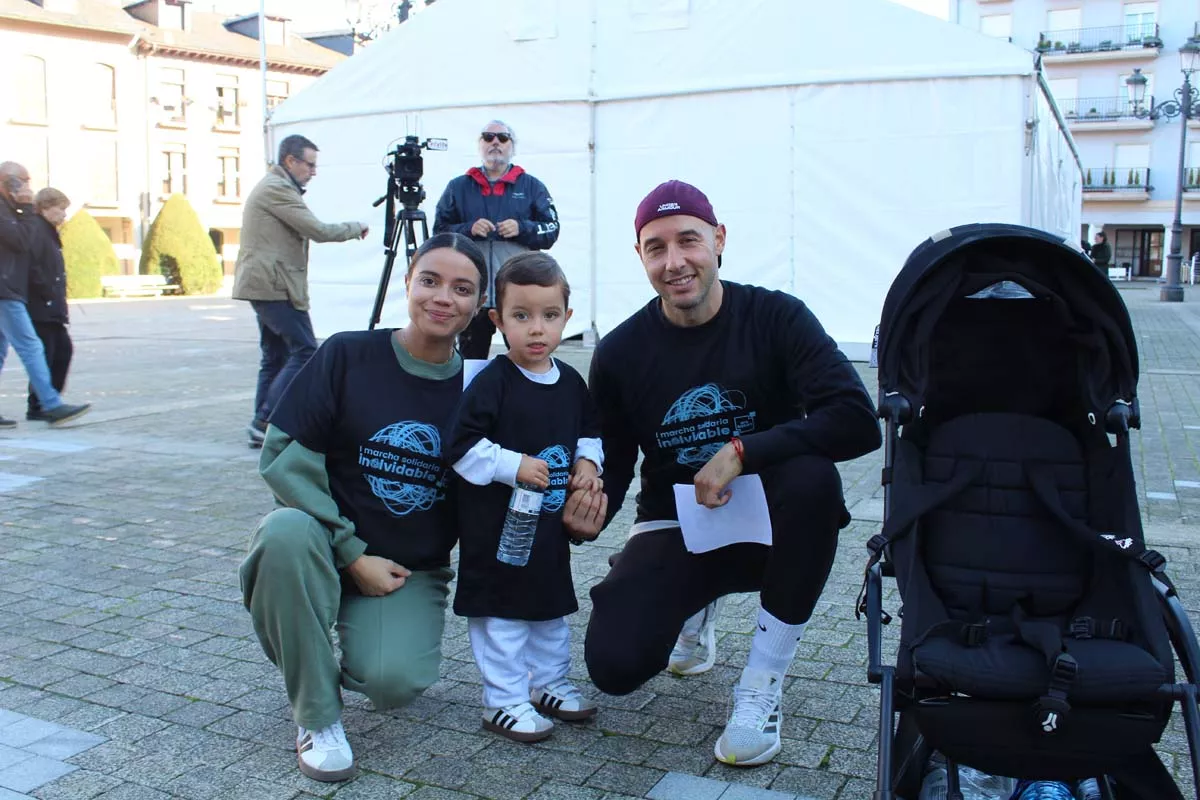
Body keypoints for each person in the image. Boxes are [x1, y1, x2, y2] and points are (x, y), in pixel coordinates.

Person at [575, 180, 881, 767]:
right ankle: (694, 608)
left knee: (814, 479)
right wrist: (585, 514)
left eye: (688, 241)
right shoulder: (619, 352)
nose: (675, 262)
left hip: (777, 523)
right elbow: (615, 461)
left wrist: (743, 451)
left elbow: (857, 420)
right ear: (639, 256)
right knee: (614, 669)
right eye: (656, 247)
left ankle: (761, 684)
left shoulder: (776, 317)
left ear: (718, 240)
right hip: (676, 523)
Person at [238, 232, 486, 782]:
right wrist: (351, 554)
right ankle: (316, 715)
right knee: (282, 534)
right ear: (408, 284)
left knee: (392, 683)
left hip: (407, 569)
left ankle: (324, 653)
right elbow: (282, 455)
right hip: (324, 547)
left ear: (477, 306)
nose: (443, 297)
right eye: (430, 280)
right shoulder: (348, 354)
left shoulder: (479, 387)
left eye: (462, 288)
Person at [447, 252, 603, 743]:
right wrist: (513, 465)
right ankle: (504, 700)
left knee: (550, 613)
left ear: (567, 318)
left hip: (548, 534)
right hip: (497, 536)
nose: (537, 330)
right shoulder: (492, 382)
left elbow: (590, 432)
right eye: (521, 316)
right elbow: (461, 446)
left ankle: (549, 683)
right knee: (503, 621)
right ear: (497, 321)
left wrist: (587, 464)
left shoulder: (571, 382)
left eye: (549, 316)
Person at [232, 134, 370, 449]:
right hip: (274, 285)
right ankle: (265, 420)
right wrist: (355, 227)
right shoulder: (277, 189)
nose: (313, 171)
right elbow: (317, 230)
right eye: (309, 164)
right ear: (291, 161)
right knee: (306, 350)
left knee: (276, 355)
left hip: (266, 283)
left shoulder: (274, 187)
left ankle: (260, 423)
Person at [433, 120, 560, 359]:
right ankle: (472, 396)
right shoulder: (458, 187)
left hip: (517, 291)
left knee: (524, 357)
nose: (495, 143)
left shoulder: (532, 186)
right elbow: (439, 232)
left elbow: (552, 230)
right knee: (471, 360)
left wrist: (522, 228)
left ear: (513, 146)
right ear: (479, 144)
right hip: (472, 291)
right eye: (488, 137)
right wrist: (468, 228)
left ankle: (523, 395)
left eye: (502, 138)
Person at [0, 162, 90, 428]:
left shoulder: (9, 210)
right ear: (8, 182)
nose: (27, 187)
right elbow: (21, 242)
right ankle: (49, 404)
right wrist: (27, 206)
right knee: (31, 346)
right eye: (23, 181)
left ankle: (47, 403)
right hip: (5, 291)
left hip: (8, 289)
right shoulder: (8, 212)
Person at [25, 188, 73, 422]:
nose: (64, 214)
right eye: (61, 208)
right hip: (41, 305)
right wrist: (46, 293)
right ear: (45, 207)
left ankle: (45, 402)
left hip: (51, 305)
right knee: (48, 353)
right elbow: (32, 266)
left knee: (60, 351)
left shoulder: (48, 231)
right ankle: (41, 405)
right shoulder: (36, 229)